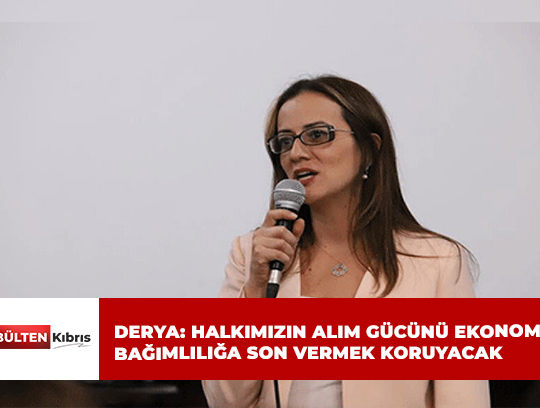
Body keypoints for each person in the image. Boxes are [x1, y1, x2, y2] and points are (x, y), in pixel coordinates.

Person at [202, 75, 489, 407]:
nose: (296, 153)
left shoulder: (438, 262)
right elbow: (225, 401)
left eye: (317, 135)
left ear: (369, 148)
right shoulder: (254, 254)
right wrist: (255, 290)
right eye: (285, 141)